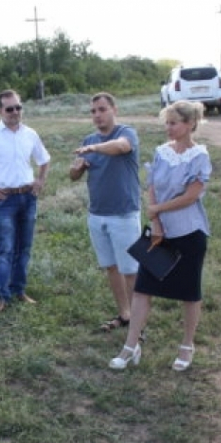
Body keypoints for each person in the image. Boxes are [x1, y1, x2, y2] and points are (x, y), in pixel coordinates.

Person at [108, 100, 211, 371]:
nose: (169, 128)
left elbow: (191, 196)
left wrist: (158, 209)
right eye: (167, 122)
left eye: (174, 123)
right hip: (159, 231)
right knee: (143, 288)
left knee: (189, 292)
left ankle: (187, 346)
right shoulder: (162, 152)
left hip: (189, 231)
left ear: (190, 124)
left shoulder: (200, 155)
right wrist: (155, 221)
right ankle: (130, 346)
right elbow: (152, 185)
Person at [69, 92, 142, 332]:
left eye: (102, 109)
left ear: (114, 110)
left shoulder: (126, 133)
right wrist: (78, 168)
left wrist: (94, 148)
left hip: (123, 214)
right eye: (93, 111)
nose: (97, 115)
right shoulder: (89, 139)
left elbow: (121, 147)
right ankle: (125, 314)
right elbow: (73, 175)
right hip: (97, 214)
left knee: (130, 270)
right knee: (111, 267)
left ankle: (138, 326)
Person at [0, 89, 51, 312]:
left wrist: (40, 180)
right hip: (5, 200)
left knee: (24, 247)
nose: (15, 112)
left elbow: (44, 159)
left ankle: (18, 290)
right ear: (0, 111)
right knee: (5, 249)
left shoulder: (30, 134)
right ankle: (1, 296)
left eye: (18, 107)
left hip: (28, 197)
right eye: (10, 108)